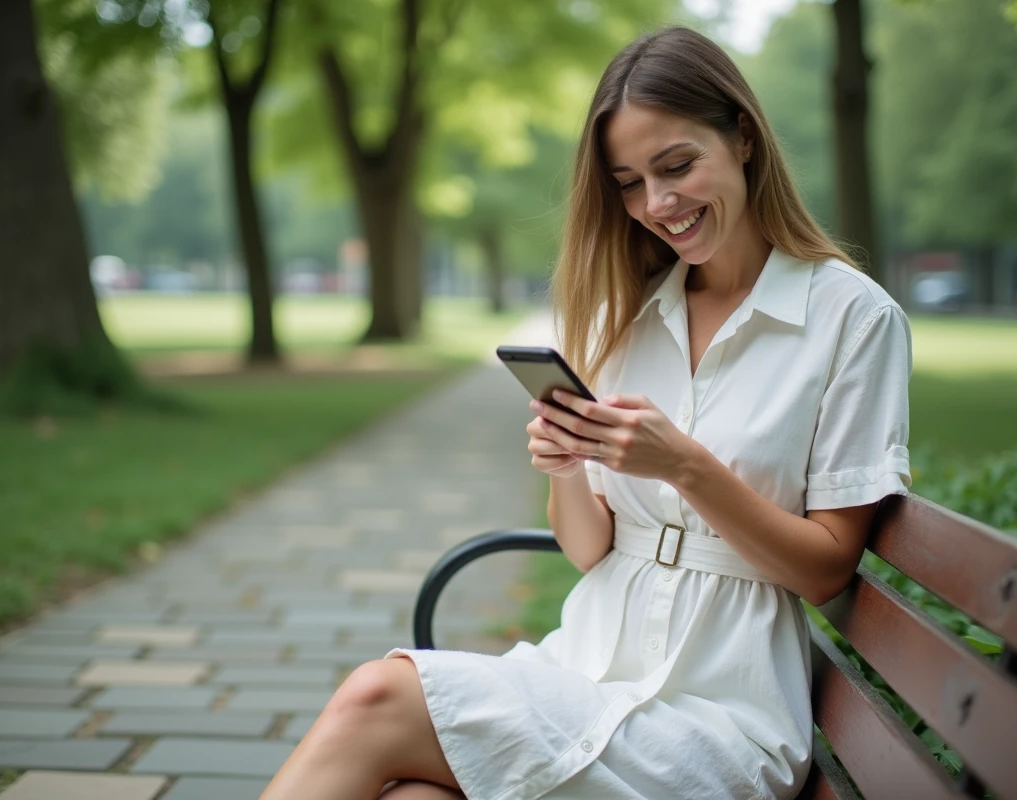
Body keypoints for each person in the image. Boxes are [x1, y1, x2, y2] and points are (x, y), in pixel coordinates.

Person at [260, 24, 911, 800]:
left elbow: (826, 569)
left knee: (377, 696)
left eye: (677, 166)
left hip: (721, 713)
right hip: (585, 669)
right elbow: (588, 551)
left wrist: (684, 466)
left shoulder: (852, 319)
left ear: (743, 136)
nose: (657, 204)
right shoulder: (628, 317)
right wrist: (566, 465)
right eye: (629, 182)